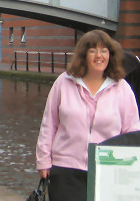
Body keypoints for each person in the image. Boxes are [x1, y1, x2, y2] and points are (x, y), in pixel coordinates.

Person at [35, 29, 140, 201]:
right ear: (83, 55)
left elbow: (132, 132)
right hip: (66, 169)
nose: (99, 56)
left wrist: (131, 167)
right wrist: (43, 161)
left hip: (108, 169)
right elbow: (49, 124)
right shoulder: (64, 82)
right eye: (93, 50)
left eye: (104, 51)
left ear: (110, 55)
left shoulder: (122, 88)